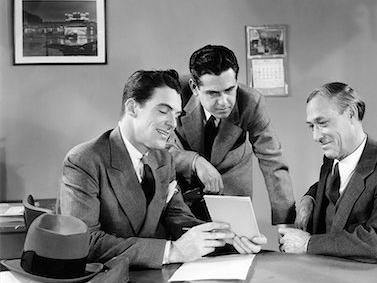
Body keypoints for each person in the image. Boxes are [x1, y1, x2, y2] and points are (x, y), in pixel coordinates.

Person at [59, 69, 266, 269]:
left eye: (176, 114)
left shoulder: (164, 158)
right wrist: (172, 251)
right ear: (132, 108)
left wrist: (225, 237)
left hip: (155, 279)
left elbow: (176, 216)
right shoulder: (84, 160)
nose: (173, 124)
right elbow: (85, 242)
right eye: (163, 110)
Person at [278, 82, 377, 263]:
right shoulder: (332, 157)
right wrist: (309, 198)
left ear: (351, 114)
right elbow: (332, 185)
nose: (316, 136)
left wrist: (307, 244)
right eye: (311, 126)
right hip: (333, 269)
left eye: (322, 123)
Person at [167, 45, 296, 225]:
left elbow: (273, 160)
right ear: (194, 87)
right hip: (184, 189)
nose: (224, 102)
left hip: (232, 190)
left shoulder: (251, 102)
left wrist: (286, 223)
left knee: (238, 249)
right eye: (213, 93)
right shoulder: (174, 92)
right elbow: (155, 148)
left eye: (229, 90)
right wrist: (194, 162)